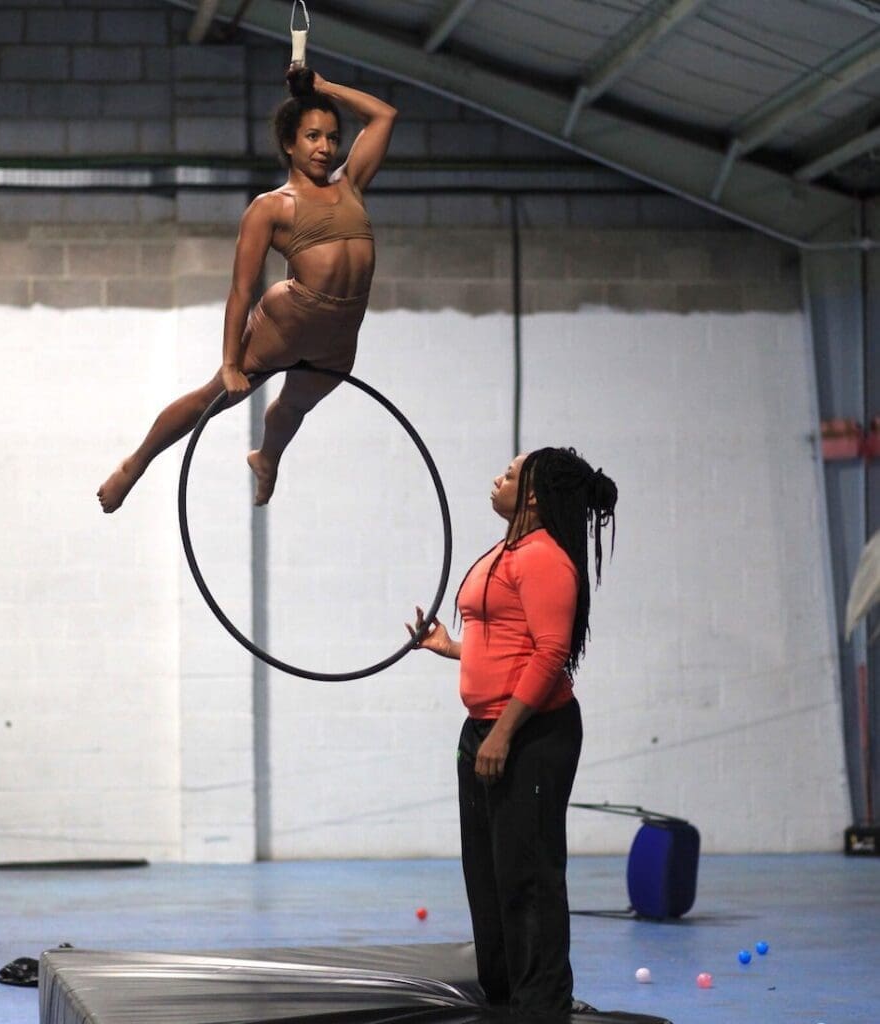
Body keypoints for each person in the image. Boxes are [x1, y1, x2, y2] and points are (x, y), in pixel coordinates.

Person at [97, 67, 397, 512]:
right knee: (214, 398)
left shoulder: (350, 185)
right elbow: (240, 289)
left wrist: (324, 88)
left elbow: (384, 116)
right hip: (288, 322)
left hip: (338, 335)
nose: (325, 148)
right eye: (313, 137)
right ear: (290, 144)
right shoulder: (271, 207)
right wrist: (231, 361)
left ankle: (267, 456)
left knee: (293, 408)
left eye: (333, 138)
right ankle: (135, 464)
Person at [407, 446, 617, 1018]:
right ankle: (505, 999)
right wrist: (450, 647)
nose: (495, 477)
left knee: (529, 875)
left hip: (531, 735)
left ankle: (542, 1003)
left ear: (531, 494)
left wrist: (502, 734)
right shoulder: (507, 550)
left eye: (509, 472)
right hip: (483, 729)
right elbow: (504, 640)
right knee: (487, 873)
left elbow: (550, 654)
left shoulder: (546, 557)